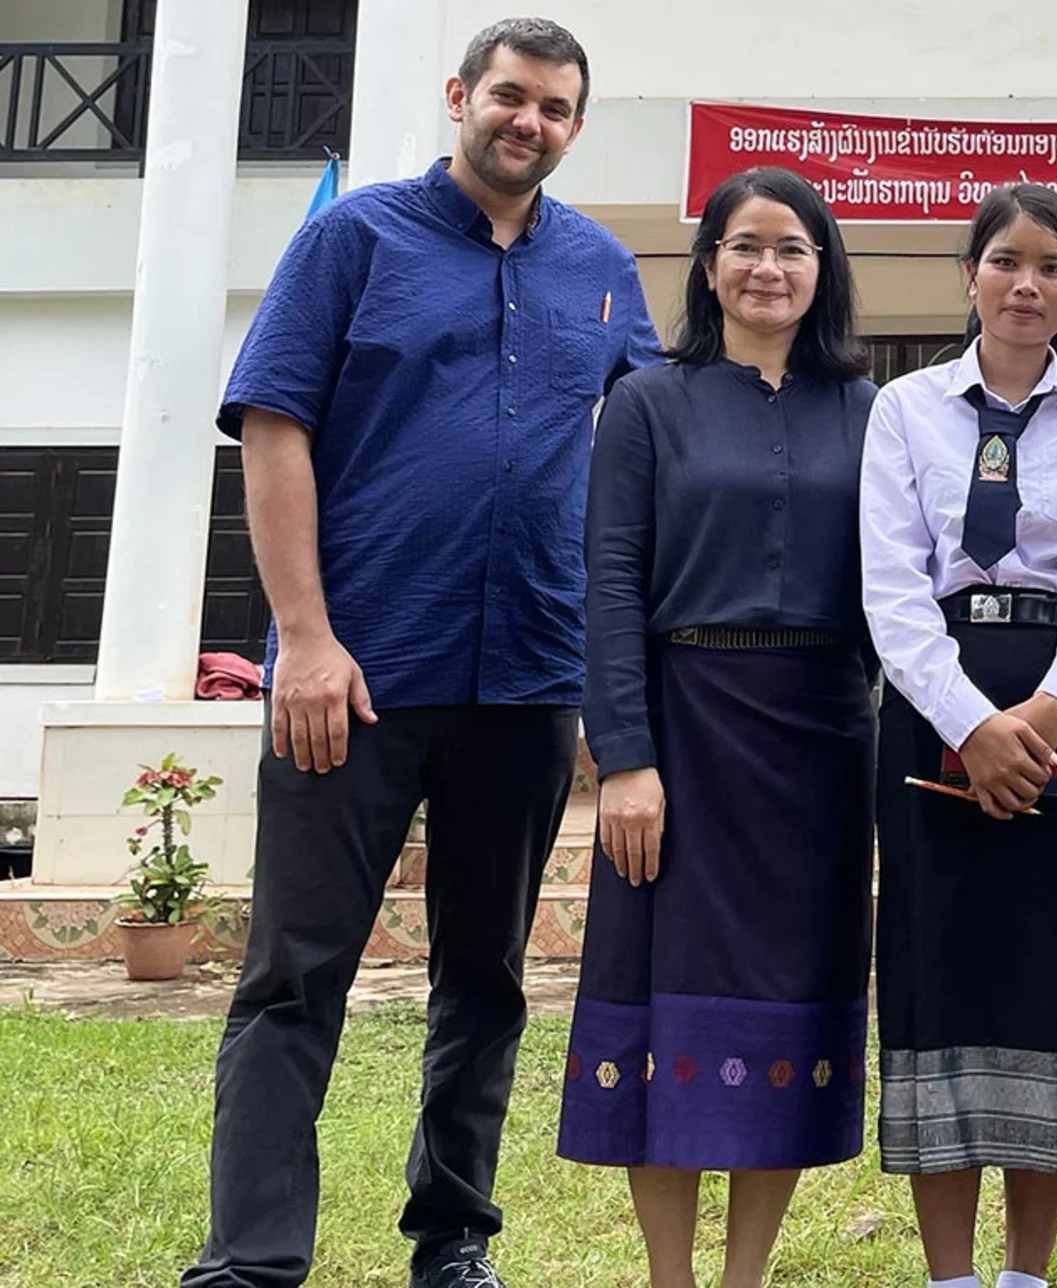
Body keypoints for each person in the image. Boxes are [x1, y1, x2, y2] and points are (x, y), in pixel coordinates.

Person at [181, 19, 658, 1288]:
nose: (530, 122)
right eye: (510, 96)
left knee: (485, 977)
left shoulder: (605, 271)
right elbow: (272, 425)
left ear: (572, 126)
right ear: (461, 97)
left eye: (556, 109)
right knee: (294, 973)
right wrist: (304, 639)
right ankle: (252, 1258)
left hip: (528, 680)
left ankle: (452, 1237)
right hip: (357, 679)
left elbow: (654, 453)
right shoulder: (354, 239)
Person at [555, 167, 876, 1288]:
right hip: (685, 735)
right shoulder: (648, 403)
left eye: (792, 247)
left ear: (822, 268)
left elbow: (897, 591)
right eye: (745, 245)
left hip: (822, 746)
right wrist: (626, 762)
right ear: (708, 265)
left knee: (784, 1013)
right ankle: (671, 1278)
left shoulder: (868, 410)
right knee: (668, 1013)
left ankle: (743, 1276)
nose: (768, 267)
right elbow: (606, 587)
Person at [859, 183, 1057, 1288]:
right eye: (1005, 262)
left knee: (1047, 972)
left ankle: (1025, 1271)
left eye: (1052, 266)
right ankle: (949, 1275)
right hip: (935, 706)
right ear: (967, 274)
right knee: (938, 975)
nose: (1027, 284)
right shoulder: (906, 409)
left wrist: (1044, 712)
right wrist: (973, 724)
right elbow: (889, 590)